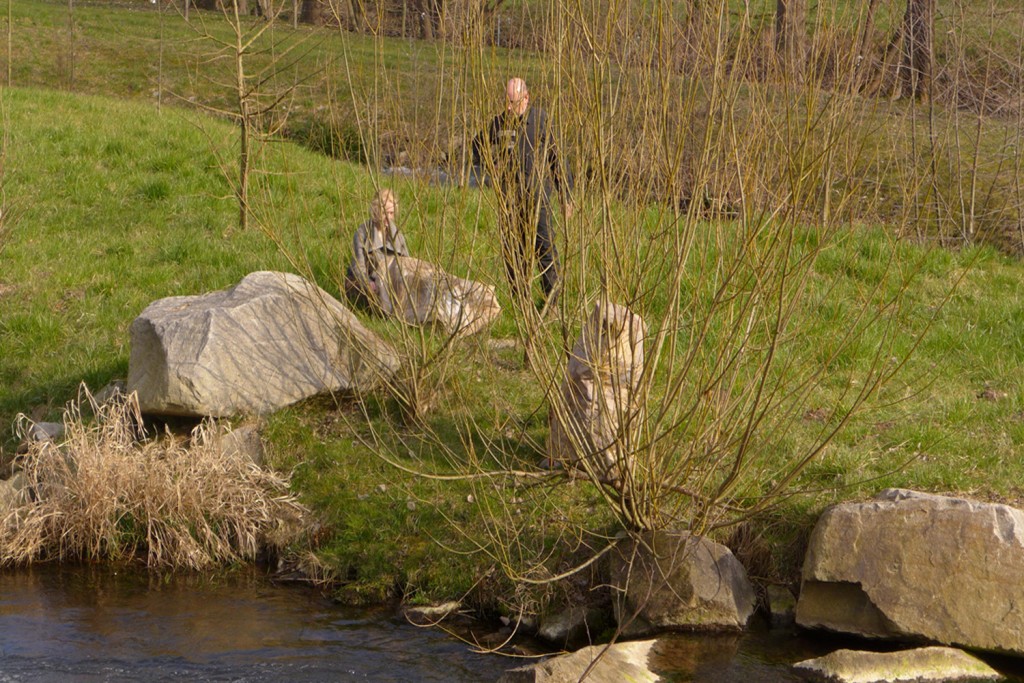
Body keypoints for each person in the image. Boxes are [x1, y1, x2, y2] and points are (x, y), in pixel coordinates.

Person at [472, 77, 573, 307]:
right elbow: (476, 147)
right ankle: (521, 303)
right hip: (510, 201)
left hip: (539, 199)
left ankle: (553, 303)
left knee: (545, 250)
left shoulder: (540, 121)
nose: (508, 107)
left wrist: (565, 197)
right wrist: (492, 166)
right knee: (513, 253)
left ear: (526, 98)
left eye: (513, 102)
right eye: (506, 101)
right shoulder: (499, 124)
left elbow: (558, 159)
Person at [344, 189, 410, 315]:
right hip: (368, 281)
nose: (388, 218)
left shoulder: (398, 236)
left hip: (389, 282)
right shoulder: (362, 233)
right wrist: (367, 283)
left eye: (391, 213)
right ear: (376, 211)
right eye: (385, 213)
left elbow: (408, 264)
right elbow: (359, 267)